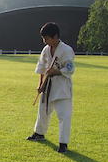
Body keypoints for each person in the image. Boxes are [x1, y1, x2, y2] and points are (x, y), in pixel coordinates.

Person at [27, 22, 75, 153]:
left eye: (46, 38)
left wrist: (57, 71)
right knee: (43, 111)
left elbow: (70, 69)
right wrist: (40, 84)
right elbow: (42, 68)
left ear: (55, 36)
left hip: (62, 87)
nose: (45, 41)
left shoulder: (66, 50)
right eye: (43, 38)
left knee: (64, 115)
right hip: (48, 86)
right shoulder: (46, 50)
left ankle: (63, 143)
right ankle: (39, 133)